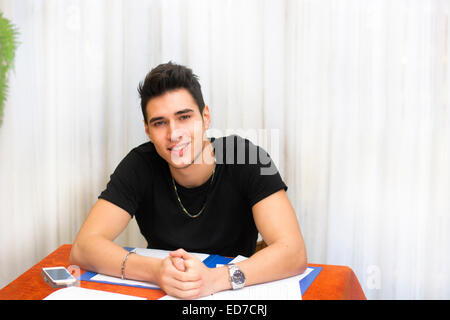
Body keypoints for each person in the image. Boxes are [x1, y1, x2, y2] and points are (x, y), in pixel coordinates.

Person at [70, 62, 307, 299]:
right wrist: (156, 271)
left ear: (205, 117)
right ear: (147, 130)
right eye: (160, 123)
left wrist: (215, 279)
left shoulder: (247, 157)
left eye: (184, 117)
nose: (173, 134)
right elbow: (83, 247)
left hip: (234, 292)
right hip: (165, 291)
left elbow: (293, 252)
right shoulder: (139, 164)